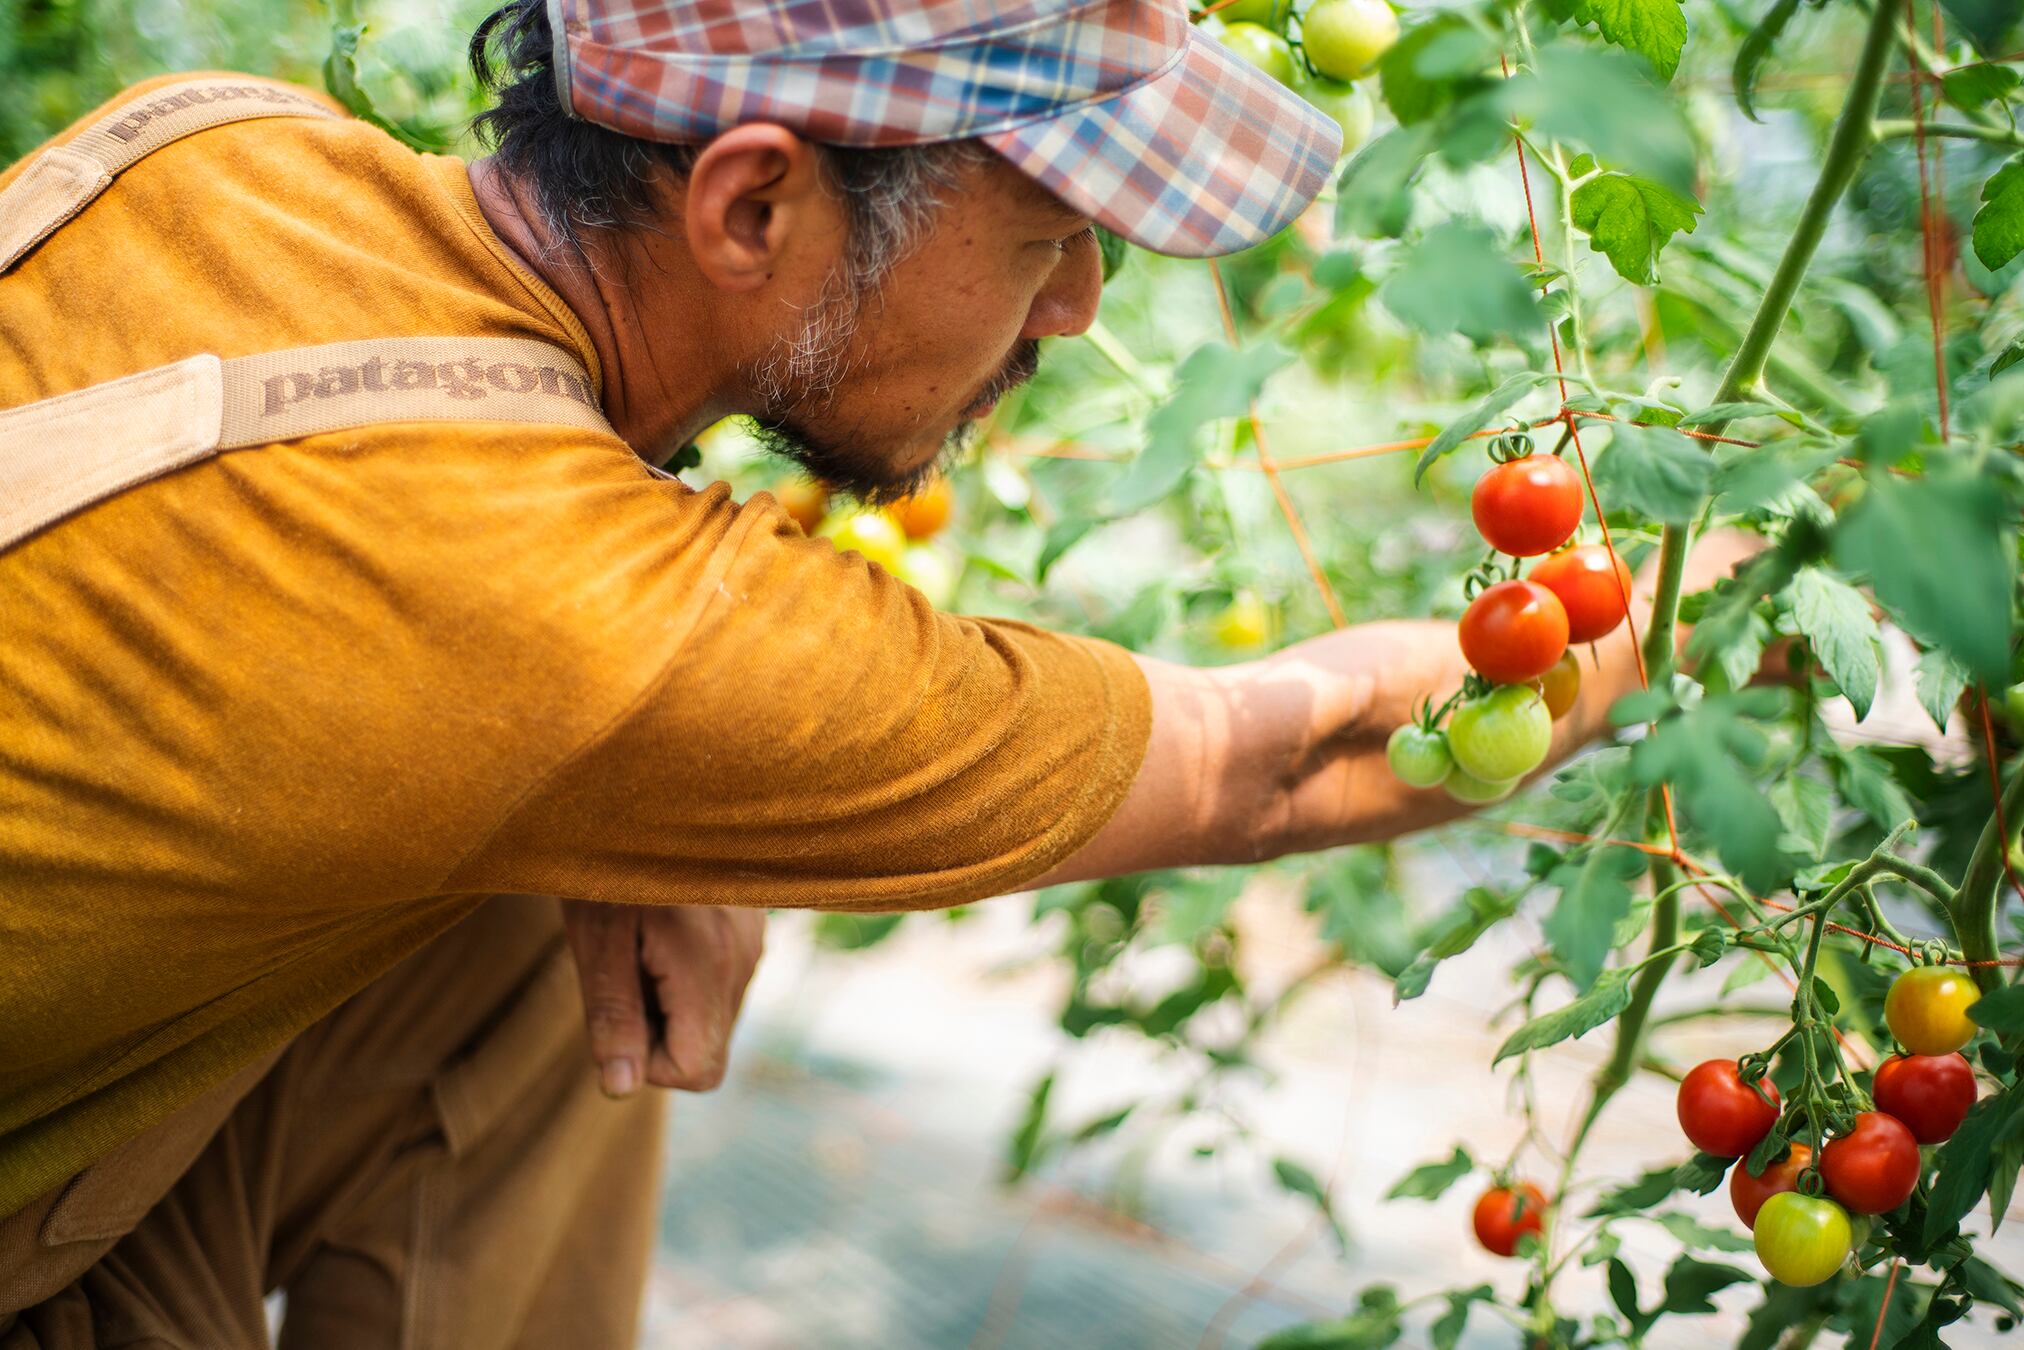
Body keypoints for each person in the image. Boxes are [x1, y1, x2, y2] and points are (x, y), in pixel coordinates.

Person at [0, 1, 1746, 1344]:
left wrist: (606, 813)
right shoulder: (600, 630)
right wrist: (1699, 598)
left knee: (525, 933)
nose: (1076, 309)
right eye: (1052, 224)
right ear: (752, 201)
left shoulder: (216, 147)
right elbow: (1275, 762)